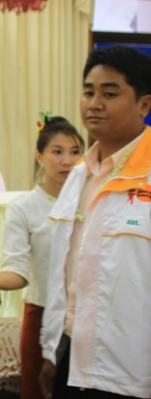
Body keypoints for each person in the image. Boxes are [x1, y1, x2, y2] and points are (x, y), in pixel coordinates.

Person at [39, 46, 151, 398]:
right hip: (72, 356)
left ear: (144, 105)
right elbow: (65, 274)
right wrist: (52, 351)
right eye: (88, 93)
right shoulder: (79, 175)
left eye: (110, 94)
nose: (94, 104)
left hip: (133, 367)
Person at [0, 115, 84, 399]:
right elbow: (17, 270)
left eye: (75, 152)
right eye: (57, 152)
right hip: (41, 312)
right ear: (39, 156)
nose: (67, 161)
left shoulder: (90, 202)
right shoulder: (24, 207)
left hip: (85, 315)